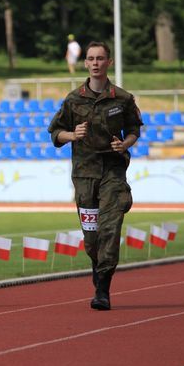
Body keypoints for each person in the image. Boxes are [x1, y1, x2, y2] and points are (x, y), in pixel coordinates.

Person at [47, 41, 143, 311]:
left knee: (110, 230)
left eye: (101, 58)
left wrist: (126, 144)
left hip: (113, 171)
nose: (96, 63)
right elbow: (55, 133)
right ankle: (98, 269)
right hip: (85, 175)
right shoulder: (74, 98)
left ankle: (103, 289)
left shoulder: (122, 98)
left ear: (108, 62)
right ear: (86, 63)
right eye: (91, 58)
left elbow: (135, 129)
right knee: (92, 239)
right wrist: (72, 135)